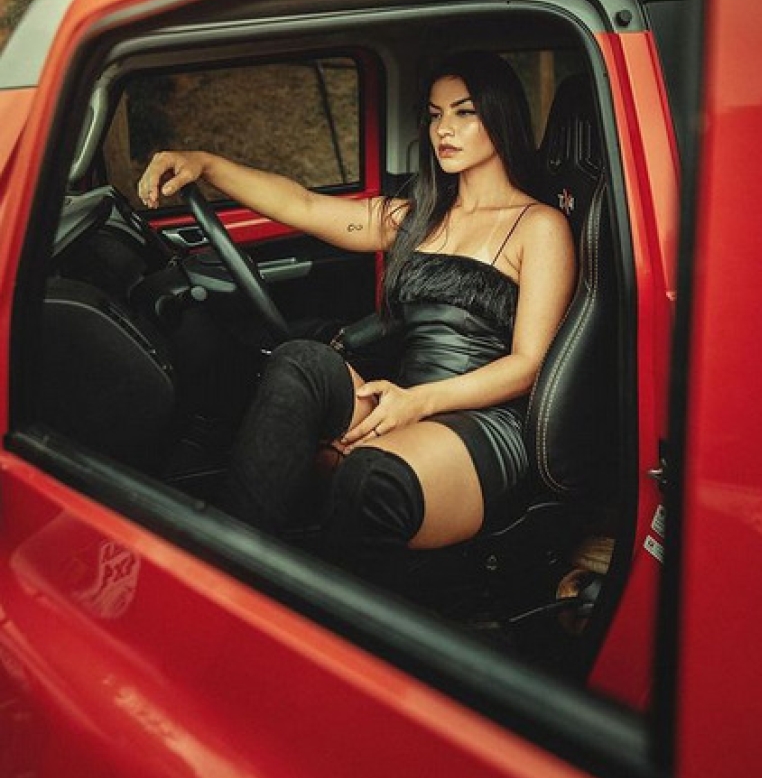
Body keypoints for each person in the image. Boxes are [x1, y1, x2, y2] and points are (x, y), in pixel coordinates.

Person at [138, 51, 576, 581]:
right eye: (435, 115)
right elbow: (303, 206)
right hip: (404, 398)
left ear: (499, 115)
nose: (444, 129)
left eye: (464, 112)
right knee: (301, 359)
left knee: (367, 477)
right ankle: (229, 569)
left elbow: (529, 365)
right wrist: (206, 164)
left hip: (483, 419)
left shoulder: (539, 226)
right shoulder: (417, 216)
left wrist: (419, 403)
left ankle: (321, 615)